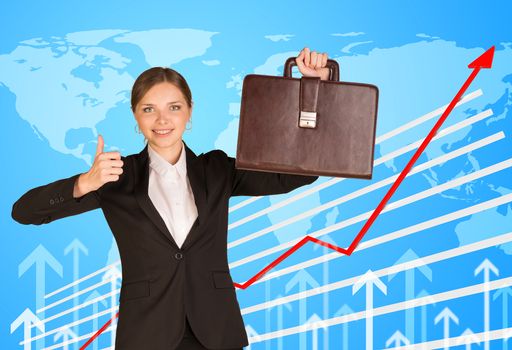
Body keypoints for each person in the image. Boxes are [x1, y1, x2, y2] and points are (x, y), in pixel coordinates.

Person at [11, 47, 330, 350]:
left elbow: (299, 173)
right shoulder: (115, 177)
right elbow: (24, 212)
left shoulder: (217, 169)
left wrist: (315, 91)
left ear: (189, 112)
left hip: (216, 331)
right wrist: (84, 182)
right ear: (136, 116)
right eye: (149, 109)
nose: (162, 120)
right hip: (147, 333)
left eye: (173, 107)